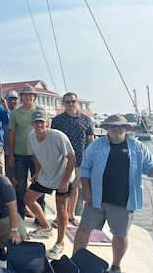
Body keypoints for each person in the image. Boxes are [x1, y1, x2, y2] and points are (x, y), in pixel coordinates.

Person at [72, 114, 153, 273]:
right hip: (96, 199)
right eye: (112, 125)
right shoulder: (95, 146)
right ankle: (75, 260)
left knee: (120, 235)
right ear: (107, 128)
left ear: (126, 128)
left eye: (120, 126)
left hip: (123, 200)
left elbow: (150, 168)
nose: (116, 128)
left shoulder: (138, 147)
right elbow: (85, 168)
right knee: (83, 229)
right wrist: (87, 192)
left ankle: (116, 265)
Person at [24, 110, 76, 260]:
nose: (39, 124)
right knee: (28, 199)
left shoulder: (58, 136)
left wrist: (65, 181)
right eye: (36, 122)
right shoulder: (31, 136)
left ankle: (60, 243)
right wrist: (37, 172)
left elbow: (72, 158)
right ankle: (46, 227)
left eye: (41, 121)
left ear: (47, 122)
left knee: (61, 210)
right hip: (45, 176)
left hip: (62, 177)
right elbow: (35, 156)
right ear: (32, 124)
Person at [51, 92, 94, 225]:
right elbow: (53, 140)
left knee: (75, 187)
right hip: (62, 159)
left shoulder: (86, 120)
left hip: (80, 159)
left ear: (77, 102)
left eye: (73, 101)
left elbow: (90, 140)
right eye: (67, 102)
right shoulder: (57, 120)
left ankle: (71, 214)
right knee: (61, 187)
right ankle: (59, 216)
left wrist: (92, 159)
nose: (70, 104)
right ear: (63, 103)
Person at [8, 84, 45, 219]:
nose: (28, 96)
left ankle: (40, 218)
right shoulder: (15, 113)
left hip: (38, 154)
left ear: (34, 97)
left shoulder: (40, 110)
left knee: (40, 185)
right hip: (20, 153)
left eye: (31, 94)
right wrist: (11, 153)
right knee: (20, 186)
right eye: (25, 94)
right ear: (21, 97)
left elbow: (47, 130)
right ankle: (20, 216)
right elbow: (12, 133)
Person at [2, 90, 18, 184]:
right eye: (10, 99)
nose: (12, 101)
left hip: (19, 151)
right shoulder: (3, 112)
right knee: (9, 175)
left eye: (14, 99)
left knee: (19, 176)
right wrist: (5, 108)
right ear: (6, 100)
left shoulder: (20, 112)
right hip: (7, 150)